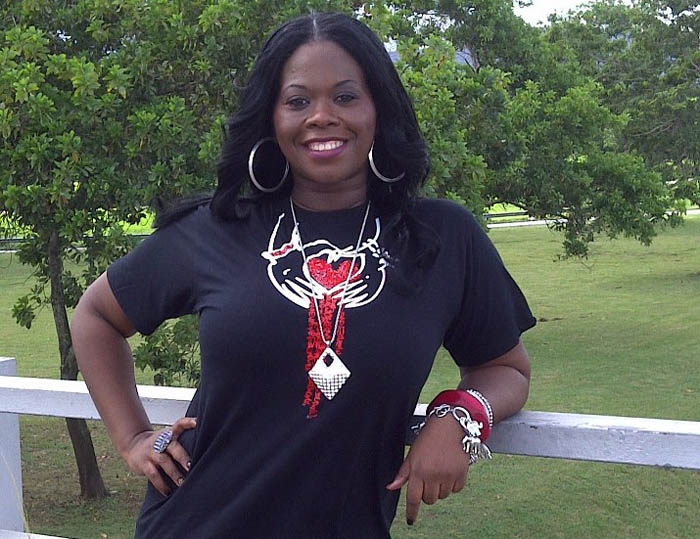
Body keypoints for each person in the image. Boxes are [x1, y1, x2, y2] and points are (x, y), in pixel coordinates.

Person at [71, 11, 535, 538]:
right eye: (297, 101)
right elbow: (96, 316)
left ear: (379, 108)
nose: (322, 117)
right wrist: (133, 437)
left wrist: (460, 416)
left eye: (345, 96)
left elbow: (505, 369)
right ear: (271, 117)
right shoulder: (219, 229)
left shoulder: (439, 238)